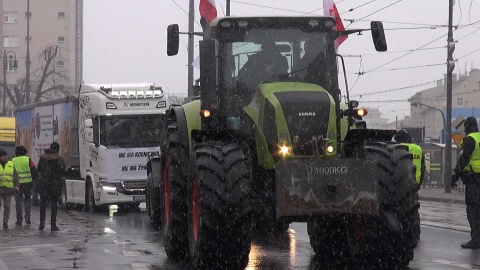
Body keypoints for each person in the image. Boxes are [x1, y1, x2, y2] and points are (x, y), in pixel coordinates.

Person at [451, 116, 480, 249]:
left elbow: (463, 159)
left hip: (474, 180)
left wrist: (455, 176)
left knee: (473, 210)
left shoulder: (470, 140)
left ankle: (476, 239)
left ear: (467, 127)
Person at [36, 142, 66, 231]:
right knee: (54, 204)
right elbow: (62, 170)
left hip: (44, 184)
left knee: (43, 204)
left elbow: (39, 170)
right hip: (55, 184)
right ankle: (53, 225)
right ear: (57, 149)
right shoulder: (59, 159)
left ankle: (42, 224)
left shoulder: (43, 158)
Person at [12, 146, 38, 226]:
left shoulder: (13, 160)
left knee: (18, 202)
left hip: (18, 184)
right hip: (28, 183)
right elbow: (34, 170)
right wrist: (33, 180)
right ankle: (27, 218)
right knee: (27, 200)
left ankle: (19, 220)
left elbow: (11, 172)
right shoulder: (28, 159)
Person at [0, 149, 20, 229]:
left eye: (6, 155)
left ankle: (5, 222)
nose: (5, 157)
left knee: (7, 206)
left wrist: (17, 185)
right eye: (3, 156)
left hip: (8, 189)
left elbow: (15, 176)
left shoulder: (11, 164)